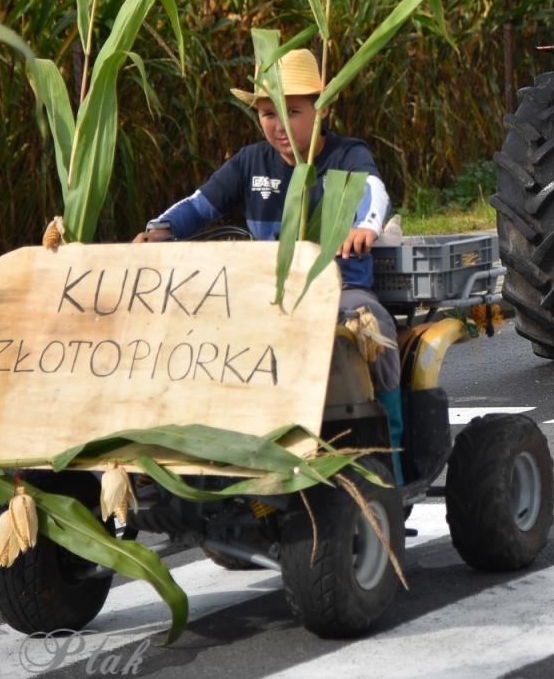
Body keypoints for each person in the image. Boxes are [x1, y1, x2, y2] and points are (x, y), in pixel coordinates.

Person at [134, 47, 405, 477]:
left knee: (372, 323)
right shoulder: (249, 163)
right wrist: (160, 230)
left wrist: (366, 226)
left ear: (324, 108)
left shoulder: (347, 156)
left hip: (335, 289)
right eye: (267, 113)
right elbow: (200, 205)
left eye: (293, 111)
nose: (278, 126)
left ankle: (391, 457)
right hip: (266, 294)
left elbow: (374, 190)